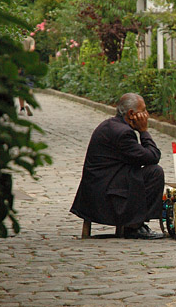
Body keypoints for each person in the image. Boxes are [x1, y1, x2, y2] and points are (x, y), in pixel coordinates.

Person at [70, 92, 165, 239]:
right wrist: (144, 131)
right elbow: (152, 157)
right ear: (132, 114)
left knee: (143, 172)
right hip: (104, 197)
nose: (146, 115)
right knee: (155, 173)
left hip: (100, 187)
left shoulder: (112, 125)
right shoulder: (123, 133)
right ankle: (134, 226)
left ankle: (135, 224)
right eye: (144, 111)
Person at [18, 36, 36, 116]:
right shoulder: (31, 39)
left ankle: (22, 109)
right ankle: (28, 102)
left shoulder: (17, 38)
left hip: (19, 65)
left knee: (20, 87)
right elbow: (32, 49)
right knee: (29, 85)